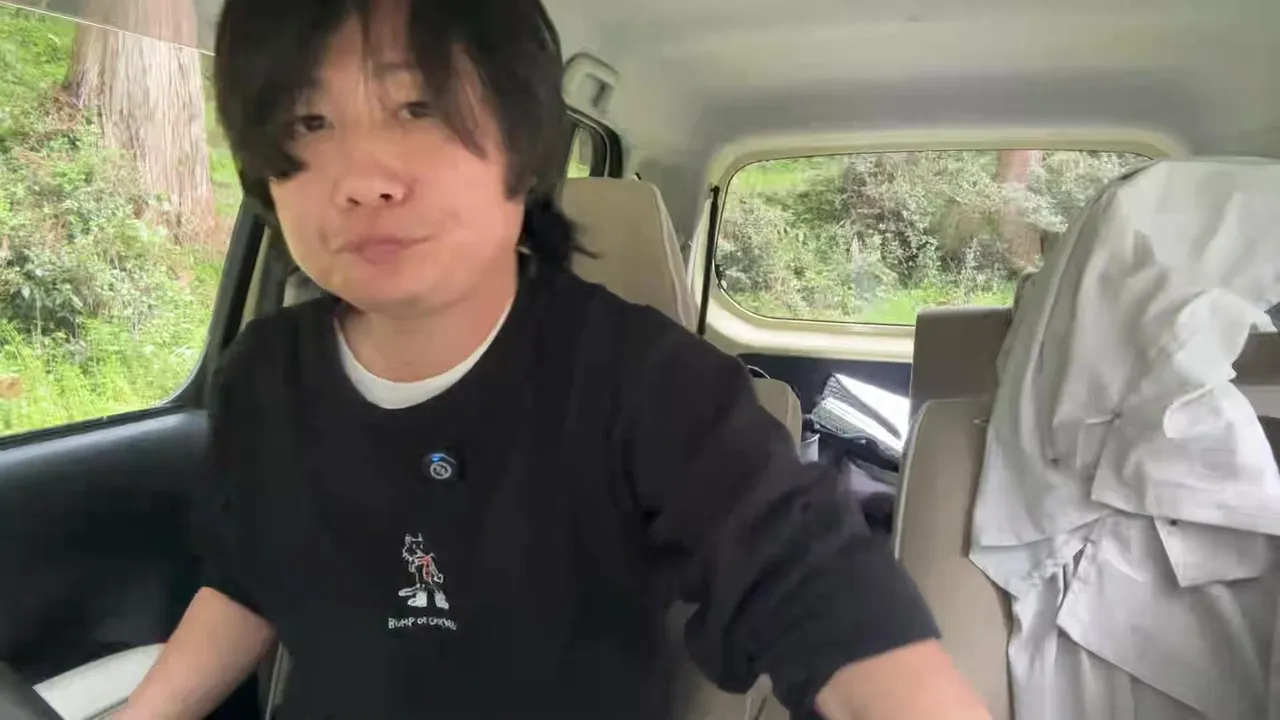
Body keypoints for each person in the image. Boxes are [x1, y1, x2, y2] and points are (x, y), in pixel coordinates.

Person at [118, 0, 989, 718]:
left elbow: (814, 589)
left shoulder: (652, 385)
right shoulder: (263, 375)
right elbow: (248, 582)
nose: (362, 178)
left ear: (525, 141)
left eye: (418, 109)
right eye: (309, 122)